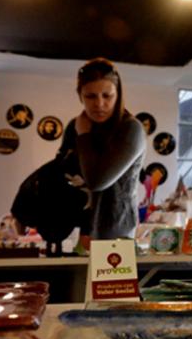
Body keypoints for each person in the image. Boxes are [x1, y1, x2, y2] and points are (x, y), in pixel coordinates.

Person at [59, 57, 146, 247]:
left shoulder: (131, 129)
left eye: (107, 96)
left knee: (110, 278)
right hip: (73, 231)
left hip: (115, 232)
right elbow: (60, 168)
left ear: (118, 94)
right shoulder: (75, 125)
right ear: (80, 96)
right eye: (90, 96)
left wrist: (83, 136)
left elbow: (97, 181)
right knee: (72, 278)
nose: (99, 103)